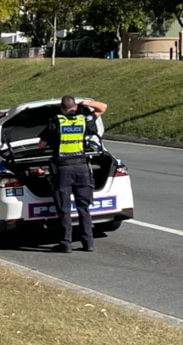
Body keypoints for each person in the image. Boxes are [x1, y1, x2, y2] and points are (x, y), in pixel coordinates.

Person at [38, 95, 107, 253]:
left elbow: (41, 145)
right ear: (75, 107)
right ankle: (88, 243)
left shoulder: (55, 122)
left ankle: (66, 244)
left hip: (63, 170)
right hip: (82, 168)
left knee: (64, 208)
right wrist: (87, 103)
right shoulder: (83, 120)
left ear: (61, 108)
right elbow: (103, 107)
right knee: (84, 207)